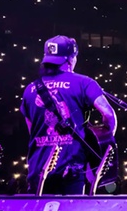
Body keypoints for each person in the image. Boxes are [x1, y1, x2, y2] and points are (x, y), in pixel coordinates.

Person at [20, 35, 117, 195]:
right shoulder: (83, 83)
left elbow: (32, 131)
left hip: (38, 170)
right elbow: (108, 114)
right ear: (71, 59)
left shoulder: (30, 89)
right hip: (71, 169)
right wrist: (102, 142)